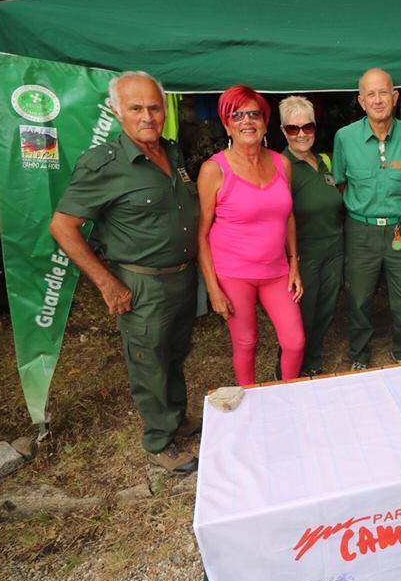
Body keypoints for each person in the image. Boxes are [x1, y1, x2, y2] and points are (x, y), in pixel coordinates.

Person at [49, 71, 199, 474]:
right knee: (149, 360)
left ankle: (176, 417)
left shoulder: (172, 152)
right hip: (142, 281)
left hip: (182, 277)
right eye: (136, 108)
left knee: (174, 352)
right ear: (117, 111)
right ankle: (160, 440)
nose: (148, 116)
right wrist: (106, 282)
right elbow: (62, 227)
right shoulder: (105, 165)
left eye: (154, 107)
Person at [196, 85, 304, 387]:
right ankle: (250, 401)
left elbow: (289, 215)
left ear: (265, 122)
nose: (247, 121)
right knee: (246, 342)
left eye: (254, 114)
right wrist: (212, 288)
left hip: (276, 271)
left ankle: (287, 394)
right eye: (237, 115)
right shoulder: (213, 170)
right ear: (227, 124)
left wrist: (294, 263)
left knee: (294, 341)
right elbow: (201, 234)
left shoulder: (282, 164)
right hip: (234, 274)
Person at [333, 68, 401, 370]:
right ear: (361, 101)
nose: (377, 100)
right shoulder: (345, 138)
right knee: (359, 298)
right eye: (370, 94)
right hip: (361, 230)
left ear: (395, 96)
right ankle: (359, 354)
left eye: (383, 92)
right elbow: (340, 183)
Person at [279, 95, 344, 376]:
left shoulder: (325, 160)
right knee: (300, 316)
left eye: (308, 127)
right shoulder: (281, 166)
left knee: (325, 310)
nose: (302, 134)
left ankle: (313, 361)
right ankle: (288, 370)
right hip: (304, 253)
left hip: (334, 249)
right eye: (293, 129)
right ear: (283, 131)